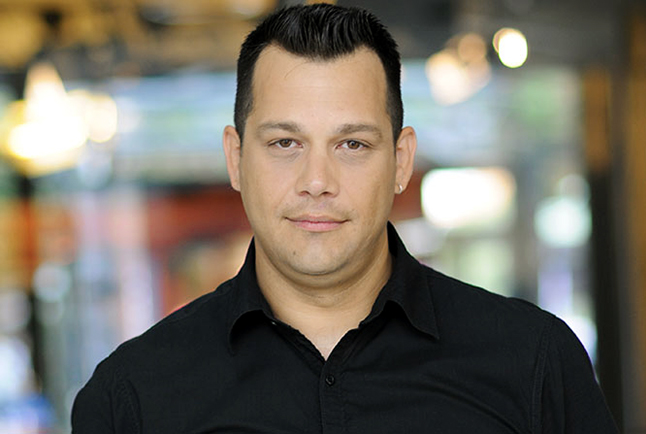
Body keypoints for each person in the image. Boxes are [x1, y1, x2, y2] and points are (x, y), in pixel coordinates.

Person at [72, 4, 618, 433]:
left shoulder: (533, 361)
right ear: (235, 159)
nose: (317, 180)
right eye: (285, 143)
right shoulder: (132, 396)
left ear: (400, 161)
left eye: (352, 144)